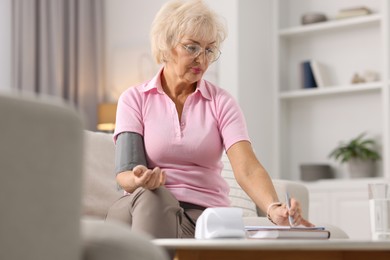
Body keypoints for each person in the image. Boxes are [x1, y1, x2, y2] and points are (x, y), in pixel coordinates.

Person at [105, 0, 313, 239]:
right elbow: (125, 175)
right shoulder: (135, 98)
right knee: (155, 196)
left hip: (201, 217)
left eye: (209, 50)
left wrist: (273, 208)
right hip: (143, 207)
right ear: (166, 44)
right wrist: (140, 178)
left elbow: (247, 168)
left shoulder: (221, 102)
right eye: (192, 48)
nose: (201, 59)